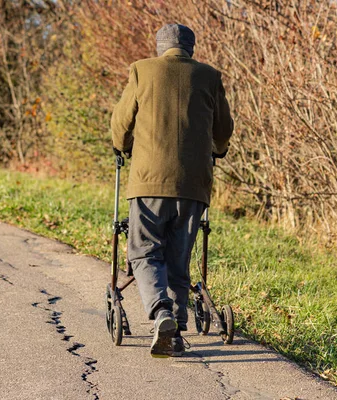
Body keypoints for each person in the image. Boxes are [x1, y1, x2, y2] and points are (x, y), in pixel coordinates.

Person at [111, 24, 234, 357]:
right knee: (178, 255)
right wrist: (217, 149)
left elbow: (122, 123)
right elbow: (224, 129)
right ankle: (175, 332)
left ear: (160, 46)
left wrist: (122, 146)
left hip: (149, 179)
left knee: (144, 250)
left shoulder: (142, 70)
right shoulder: (209, 76)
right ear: (191, 48)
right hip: (194, 183)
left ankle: (161, 310)